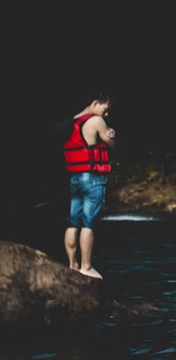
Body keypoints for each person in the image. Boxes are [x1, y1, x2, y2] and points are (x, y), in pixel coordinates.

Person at [62, 93, 116, 280]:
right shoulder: (96, 121)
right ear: (95, 103)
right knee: (88, 224)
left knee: (73, 222)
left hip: (75, 177)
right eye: (105, 108)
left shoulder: (73, 122)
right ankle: (86, 267)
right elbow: (111, 144)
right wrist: (111, 135)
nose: (106, 114)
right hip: (92, 178)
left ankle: (72, 265)